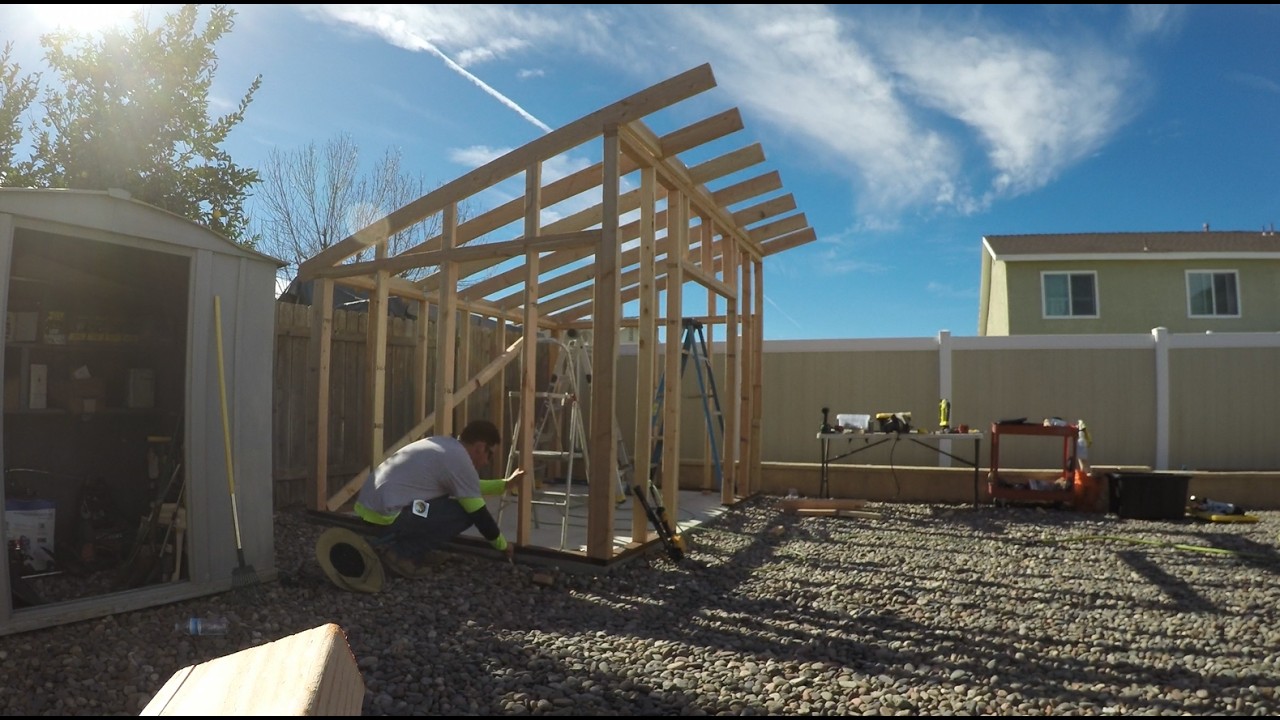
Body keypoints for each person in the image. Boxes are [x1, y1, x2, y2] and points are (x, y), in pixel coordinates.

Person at [354, 419, 523, 578]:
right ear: (480, 447)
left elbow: (466, 486)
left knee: (441, 504)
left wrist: (504, 485)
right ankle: (401, 554)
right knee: (463, 512)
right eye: (490, 455)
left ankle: (417, 550)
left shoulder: (444, 446)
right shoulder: (459, 461)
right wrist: (503, 545)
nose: (487, 462)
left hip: (370, 510)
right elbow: (480, 515)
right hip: (392, 516)